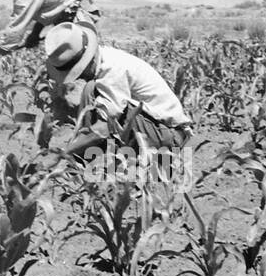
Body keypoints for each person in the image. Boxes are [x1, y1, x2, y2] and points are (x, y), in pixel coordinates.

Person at [40, 24, 192, 168]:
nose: (79, 77)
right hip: (157, 129)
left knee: (116, 117)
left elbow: (103, 129)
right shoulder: (105, 59)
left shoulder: (112, 71)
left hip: (171, 137)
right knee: (91, 91)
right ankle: (85, 160)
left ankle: (129, 166)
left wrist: (63, 153)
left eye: (77, 72)